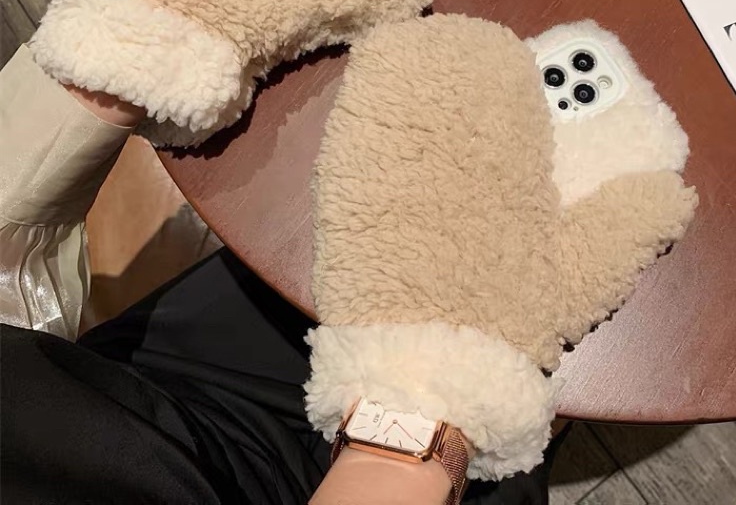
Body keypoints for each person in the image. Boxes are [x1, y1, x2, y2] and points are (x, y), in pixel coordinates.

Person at [0, 44, 562, 504]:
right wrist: (413, 429)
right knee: (543, 313)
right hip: (398, 452)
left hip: (154, 396)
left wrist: (117, 54)